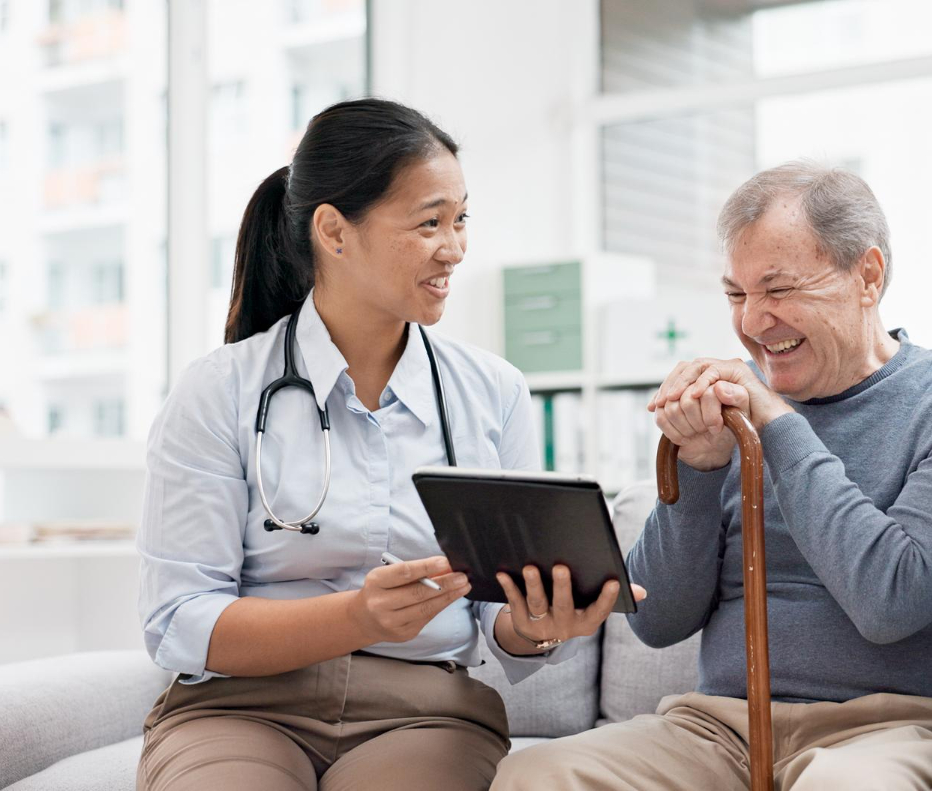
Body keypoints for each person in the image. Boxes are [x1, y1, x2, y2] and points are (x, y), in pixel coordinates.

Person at [135, 98, 639, 791]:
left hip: (424, 714)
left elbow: (500, 616)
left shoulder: (493, 390)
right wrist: (355, 616)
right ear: (334, 232)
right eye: (429, 222)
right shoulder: (219, 390)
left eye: (461, 220)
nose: (455, 247)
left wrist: (536, 623)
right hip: (240, 707)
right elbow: (179, 619)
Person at [493, 161, 932, 790]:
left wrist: (776, 422)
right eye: (735, 295)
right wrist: (698, 467)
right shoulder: (727, 416)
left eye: (777, 291)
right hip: (717, 728)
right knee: (538, 775)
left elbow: (891, 600)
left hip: (895, 726)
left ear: (867, 275)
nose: (751, 322)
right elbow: (657, 620)